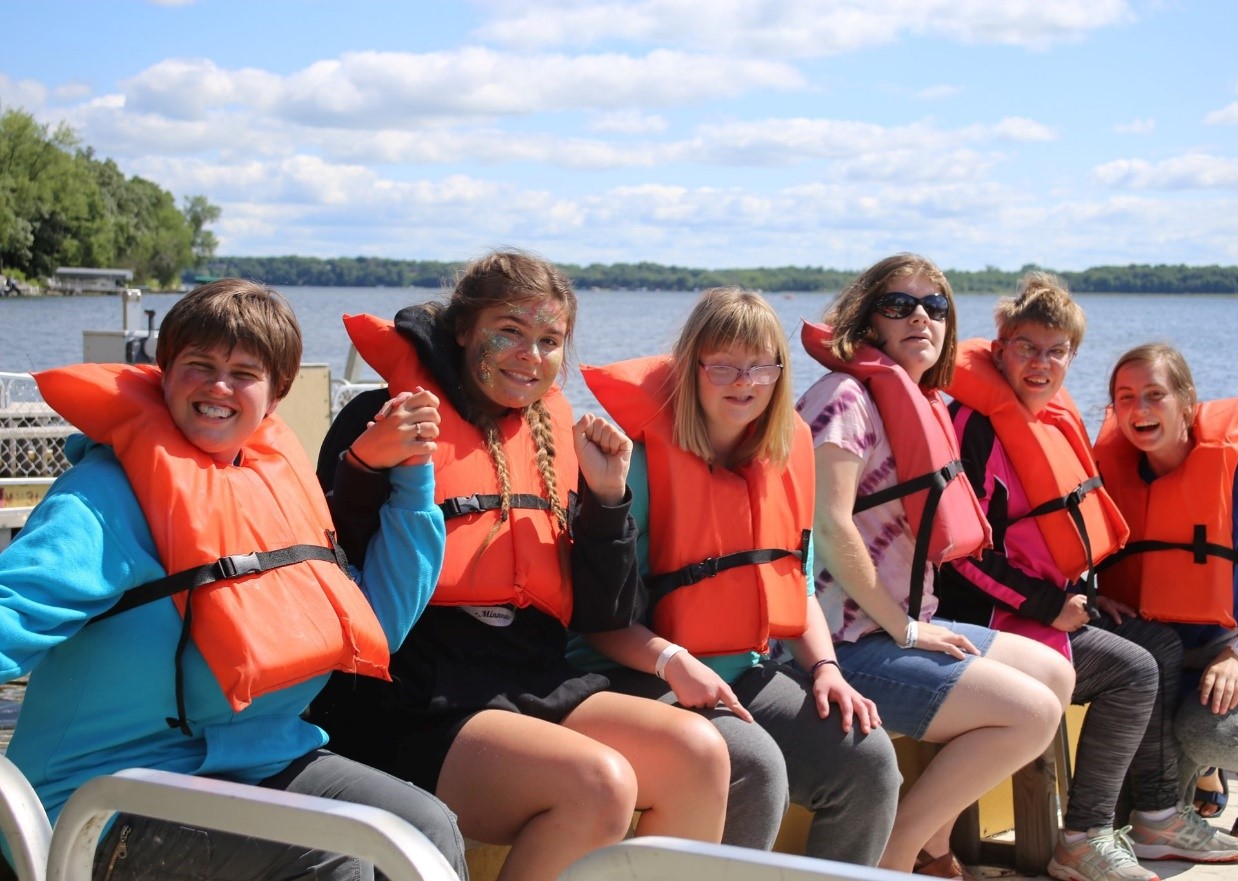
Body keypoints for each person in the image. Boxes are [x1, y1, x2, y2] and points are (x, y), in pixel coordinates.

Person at [1, 280, 467, 880]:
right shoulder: (103, 498)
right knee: (334, 855)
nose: (218, 387)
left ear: (275, 396)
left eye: (244, 373)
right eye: (200, 365)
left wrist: (413, 477)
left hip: (256, 766)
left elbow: (382, 621)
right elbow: (13, 609)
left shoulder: (275, 489)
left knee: (424, 827)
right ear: (163, 373)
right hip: (107, 801)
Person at [307, 250, 730, 881]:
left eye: (549, 340)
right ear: (462, 331)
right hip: (412, 690)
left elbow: (602, 613)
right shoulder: (381, 417)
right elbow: (323, 567)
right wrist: (366, 469)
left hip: (529, 672)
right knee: (597, 784)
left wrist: (609, 499)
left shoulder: (556, 439)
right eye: (509, 331)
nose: (530, 355)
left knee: (699, 755)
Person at [568, 286, 901, 865]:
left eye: (759, 366)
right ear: (690, 368)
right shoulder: (635, 469)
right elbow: (598, 622)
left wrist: (825, 668)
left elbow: (793, 582)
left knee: (867, 760)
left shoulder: (784, 458)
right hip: (640, 675)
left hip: (740, 672)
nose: (742, 381)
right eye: (721, 364)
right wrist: (676, 664)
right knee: (754, 766)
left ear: (780, 373)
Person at [937, 272, 1238, 881]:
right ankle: (1083, 837)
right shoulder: (973, 428)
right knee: (1131, 671)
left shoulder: (1052, 419)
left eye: (1056, 351)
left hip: (1045, 605)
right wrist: (1052, 605)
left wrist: (1086, 597)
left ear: (1071, 357)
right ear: (999, 348)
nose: (1040, 363)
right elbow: (960, 557)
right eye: (1026, 347)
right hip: (984, 618)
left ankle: (1155, 815)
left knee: (1154, 642)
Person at [797, 253, 1075, 879]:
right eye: (899, 305)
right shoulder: (843, 399)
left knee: (1054, 674)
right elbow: (831, 526)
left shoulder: (918, 399)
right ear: (868, 321)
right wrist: (906, 629)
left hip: (899, 625)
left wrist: (912, 625)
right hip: (847, 642)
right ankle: (896, 856)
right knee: (1031, 713)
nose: (920, 316)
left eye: (935, 306)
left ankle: (934, 844)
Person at [1095, 342, 1238, 849]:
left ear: (1187, 401)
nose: (1139, 410)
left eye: (1155, 394)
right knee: (1135, 823)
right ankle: (1206, 771)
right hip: (1171, 671)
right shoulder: (1109, 482)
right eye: (1125, 398)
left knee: (1207, 731)